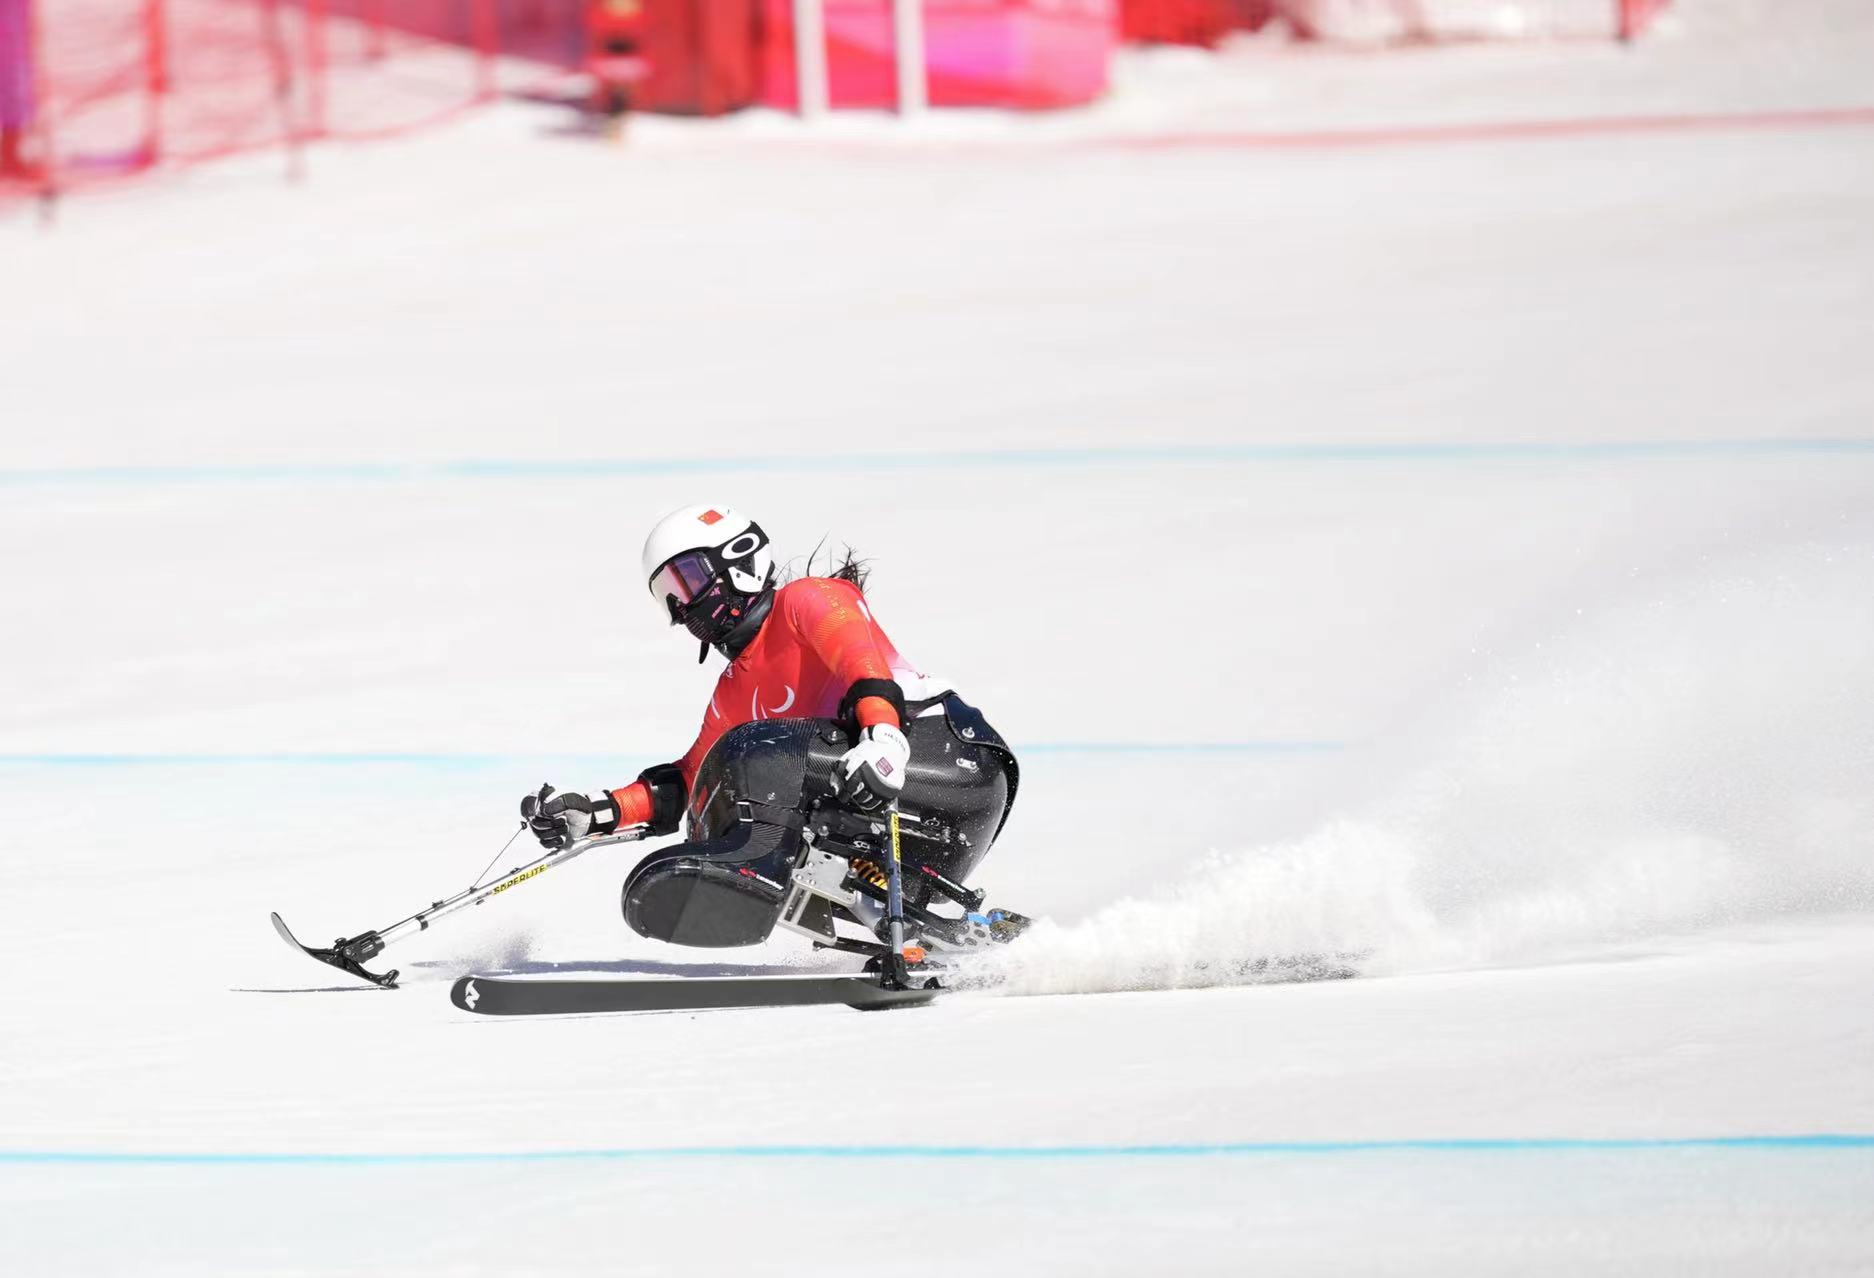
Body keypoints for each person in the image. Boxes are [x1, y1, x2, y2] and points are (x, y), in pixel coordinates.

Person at [522, 504, 1019, 950]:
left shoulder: (807, 601)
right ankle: (935, 936)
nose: (683, 606)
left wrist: (883, 741)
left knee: (752, 751)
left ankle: (750, 870)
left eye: (688, 579)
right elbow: (691, 780)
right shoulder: (734, 691)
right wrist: (597, 812)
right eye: (667, 595)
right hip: (892, 818)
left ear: (740, 559)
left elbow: (867, 671)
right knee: (716, 797)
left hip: (946, 761)